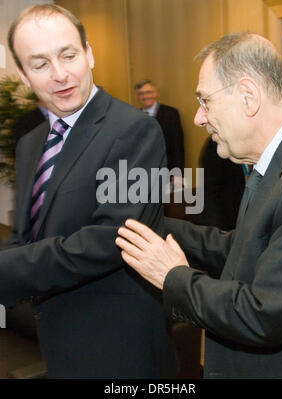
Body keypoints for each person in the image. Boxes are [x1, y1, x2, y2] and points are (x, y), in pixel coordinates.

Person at [1, 4, 176, 378]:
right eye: (40, 64)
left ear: (89, 53)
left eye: (68, 55)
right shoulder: (31, 142)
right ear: (23, 74)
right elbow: (24, 237)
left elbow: (112, 239)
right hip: (57, 343)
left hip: (120, 349)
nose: (60, 74)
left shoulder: (135, 130)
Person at [116, 32, 282, 379]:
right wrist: (154, 224)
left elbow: (264, 314)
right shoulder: (279, 165)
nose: (199, 118)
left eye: (205, 101)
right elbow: (242, 247)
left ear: (248, 96)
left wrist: (173, 277)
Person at [134, 79, 185, 173]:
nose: (145, 96)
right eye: (141, 94)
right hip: (142, 173)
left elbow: (177, 145)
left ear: (155, 94)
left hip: (166, 171)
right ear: (137, 97)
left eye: (148, 92)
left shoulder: (171, 113)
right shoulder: (134, 116)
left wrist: (177, 173)